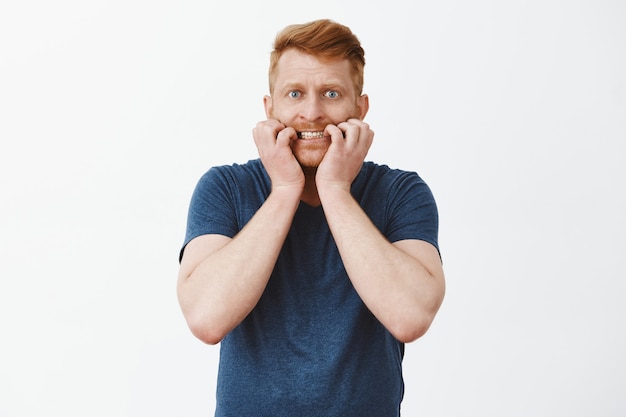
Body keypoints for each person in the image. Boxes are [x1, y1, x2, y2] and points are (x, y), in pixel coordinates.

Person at [177, 19, 445, 417]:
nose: (312, 113)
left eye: (331, 93)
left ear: (360, 108)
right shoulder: (225, 188)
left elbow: (410, 317)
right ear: (270, 108)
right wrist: (284, 189)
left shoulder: (401, 193)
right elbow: (206, 319)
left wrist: (335, 188)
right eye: (295, 94)